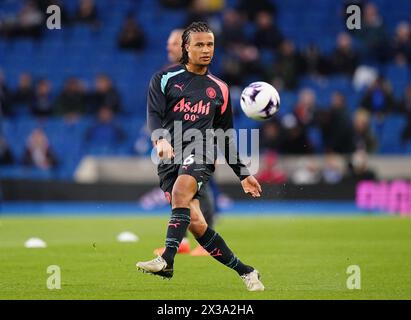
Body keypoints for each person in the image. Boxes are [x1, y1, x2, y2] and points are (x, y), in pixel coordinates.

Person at [137, 22, 264, 291]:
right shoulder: (164, 79)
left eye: (210, 45)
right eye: (199, 45)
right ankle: (247, 271)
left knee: (183, 191)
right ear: (186, 48)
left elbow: (225, 135)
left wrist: (244, 174)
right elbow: (153, 115)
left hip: (202, 151)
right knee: (196, 223)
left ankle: (166, 260)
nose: (206, 50)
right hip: (169, 157)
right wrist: (160, 139)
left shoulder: (220, 89)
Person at [152, 28, 217, 257]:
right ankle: (182, 241)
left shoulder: (201, 77)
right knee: (178, 192)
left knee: (198, 190)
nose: (169, 47)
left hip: (199, 144)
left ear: (185, 45)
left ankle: (205, 242)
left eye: (173, 43)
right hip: (175, 144)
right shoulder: (167, 76)